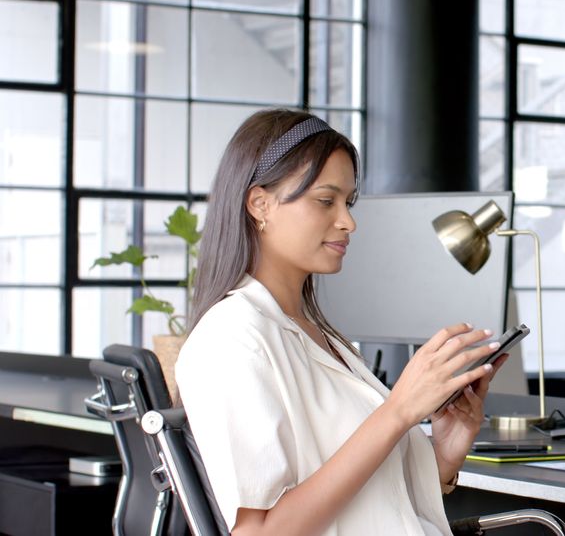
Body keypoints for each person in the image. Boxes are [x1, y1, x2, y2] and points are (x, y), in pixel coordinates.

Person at [175, 108, 507, 536]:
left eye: (348, 202)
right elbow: (259, 532)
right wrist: (398, 411)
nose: (348, 221)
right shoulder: (231, 340)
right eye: (325, 201)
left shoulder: (314, 332)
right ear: (260, 204)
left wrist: (444, 455)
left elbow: (368, 500)